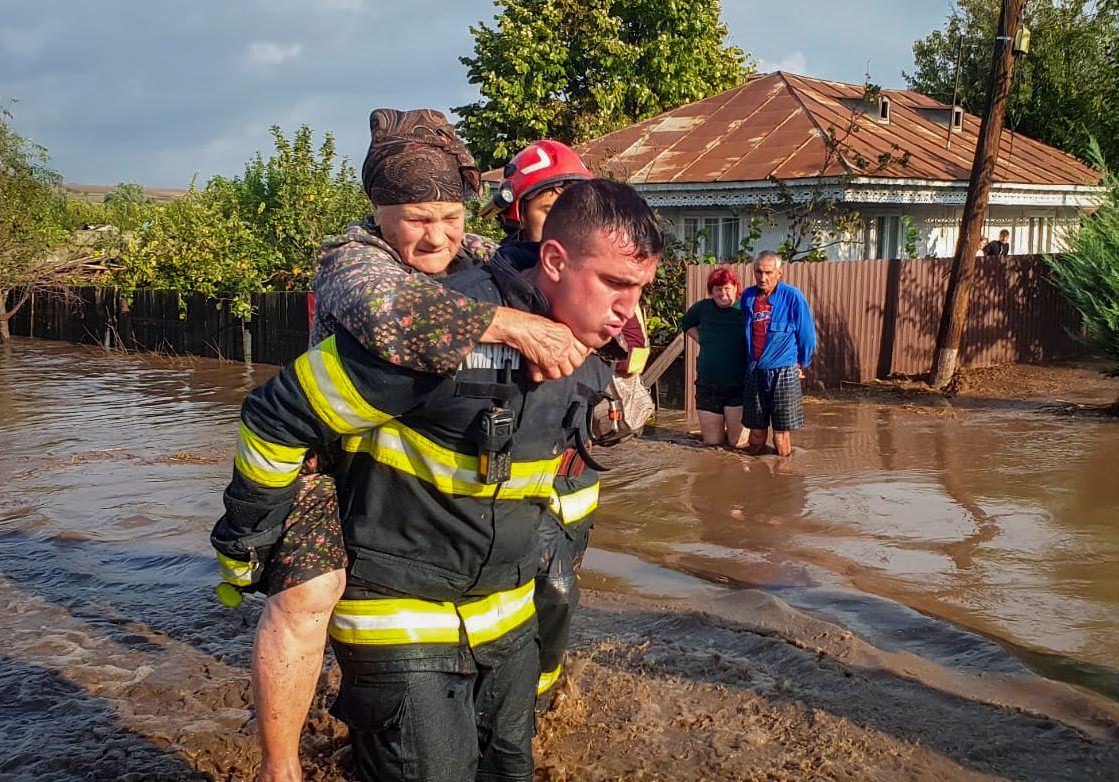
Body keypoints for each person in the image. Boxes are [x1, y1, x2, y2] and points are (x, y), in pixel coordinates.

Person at [213, 178, 662, 782]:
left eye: (639, 290)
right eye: (616, 284)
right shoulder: (439, 331)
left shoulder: (588, 341)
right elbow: (276, 415)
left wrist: (615, 410)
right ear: (555, 260)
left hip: (505, 617)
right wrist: (248, 539)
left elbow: (568, 463)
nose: (628, 311)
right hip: (401, 617)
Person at [487, 139, 649, 709]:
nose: (557, 208)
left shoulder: (606, 277)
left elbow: (632, 348)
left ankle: (539, 689)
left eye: (568, 196)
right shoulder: (491, 280)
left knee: (560, 590)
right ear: (517, 210)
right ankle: (510, 698)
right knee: (525, 588)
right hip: (510, 467)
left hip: (574, 469)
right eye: (544, 199)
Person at [740, 251, 816, 458]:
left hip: (784, 371)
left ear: (779, 273)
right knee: (755, 434)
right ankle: (755, 479)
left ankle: (783, 480)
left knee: (781, 437)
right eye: (758, 272)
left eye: (768, 272)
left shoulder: (793, 297)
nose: (762, 278)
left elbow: (807, 336)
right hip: (756, 370)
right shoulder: (747, 297)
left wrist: (801, 364)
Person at [681, 266, 748, 447]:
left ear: (735, 288)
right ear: (712, 291)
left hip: (739, 385)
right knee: (712, 444)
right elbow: (686, 323)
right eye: (718, 289)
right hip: (708, 385)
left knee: (738, 444)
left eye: (727, 288)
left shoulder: (746, 308)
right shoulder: (702, 308)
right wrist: (703, 340)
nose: (723, 293)